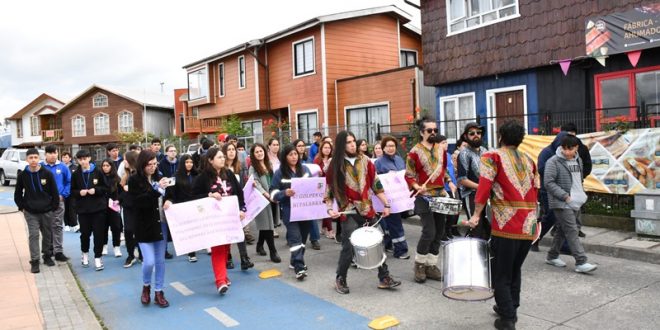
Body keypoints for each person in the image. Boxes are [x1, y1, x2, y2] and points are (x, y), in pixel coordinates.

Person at [466, 121, 539, 330]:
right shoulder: (529, 160)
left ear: (500, 137)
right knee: (514, 269)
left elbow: (483, 188)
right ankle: (510, 306)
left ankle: (508, 318)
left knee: (501, 273)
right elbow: (536, 190)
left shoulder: (492, 157)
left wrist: (477, 214)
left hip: (506, 224)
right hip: (528, 224)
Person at [326, 131, 401, 294]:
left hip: (367, 209)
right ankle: (340, 278)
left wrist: (386, 204)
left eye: (353, 141)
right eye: (348, 142)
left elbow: (376, 184)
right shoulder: (334, 164)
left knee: (377, 242)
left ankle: (384, 277)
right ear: (341, 145)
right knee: (349, 246)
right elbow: (329, 189)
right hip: (348, 211)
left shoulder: (366, 161)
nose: (353, 144)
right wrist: (330, 208)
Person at [191, 147, 246, 295]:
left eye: (223, 157)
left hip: (229, 218)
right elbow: (193, 196)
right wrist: (208, 194)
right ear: (210, 160)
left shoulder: (228, 174)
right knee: (218, 248)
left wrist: (242, 209)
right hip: (213, 220)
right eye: (219, 157)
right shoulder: (203, 178)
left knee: (226, 247)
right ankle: (220, 281)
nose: (223, 159)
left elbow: (239, 193)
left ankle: (223, 275)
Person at [544, 134, 597, 273]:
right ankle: (581, 262)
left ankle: (552, 255)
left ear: (576, 148)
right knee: (572, 230)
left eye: (570, 149)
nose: (567, 152)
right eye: (564, 148)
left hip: (576, 200)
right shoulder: (553, 161)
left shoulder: (578, 160)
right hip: (561, 202)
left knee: (563, 229)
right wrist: (565, 196)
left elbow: (578, 180)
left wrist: (580, 195)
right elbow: (548, 182)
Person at [405, 117, 450, 283]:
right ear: (422, 132)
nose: (433, 133)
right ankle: (419, 265)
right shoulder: (414, 152)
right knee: (429, 231)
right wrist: (417, 187)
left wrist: (450, 181)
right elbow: (409, 175)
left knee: (439, 231)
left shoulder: (441, 150)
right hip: (423, 197)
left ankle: (431, 265)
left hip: (440, 195)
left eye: (435, 130)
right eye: (430, 130)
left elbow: (443, 169)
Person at [129, 150, 170, 307]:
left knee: (160, 261)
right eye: (150, 165)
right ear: (142, 165)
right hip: (143, 225)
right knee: (149, 261)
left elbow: (170, 193)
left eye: (155, 164)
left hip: (161, 223)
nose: (153, 167)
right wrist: (156, 190)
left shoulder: (160, 177)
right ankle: (146, 286)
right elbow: (139, 202)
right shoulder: (134, 180)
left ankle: (159, 291)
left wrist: (169, 200)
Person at [271, 144, 313, 280]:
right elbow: (273, 194)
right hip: (289, 211)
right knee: (295, 239)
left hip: (306, 211)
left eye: (295, 154)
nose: (294, 157)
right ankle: (299, 267)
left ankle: (294, 260)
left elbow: (313, 187)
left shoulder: (305, 170)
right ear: (285, 157)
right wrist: (284, 193)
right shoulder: (279, 173)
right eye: (290, 154)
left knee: (303, 239)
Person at [14, 148, 59, 273]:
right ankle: (34, 261)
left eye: (35, 157)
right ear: (26, 159)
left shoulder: (47, 173)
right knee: (33, 235)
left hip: (46, 211)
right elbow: (18, 194)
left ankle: (47, 255)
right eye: (30, 158)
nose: (33, 160)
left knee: (47, 234)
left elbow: (55, 192)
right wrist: (22, 207)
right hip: (31, 212)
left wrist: (53, 208)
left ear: (39, 158)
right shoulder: (23, 175)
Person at [71, 149, 109, 271]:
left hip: (98, 209)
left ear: (89, 158)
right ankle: (85, 254)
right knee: (85, 234)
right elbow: (72, 191)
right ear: (77, 160)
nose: (83, 161)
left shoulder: (98, 171)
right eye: (80, 159)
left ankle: (98, 257)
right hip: (83, 210)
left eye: (85, 159)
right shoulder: (75, 174)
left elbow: (105, 188)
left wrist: (96, 190)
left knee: (98, 234)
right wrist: (79, 192)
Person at [533, 131, 569, 252]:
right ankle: (535, 239)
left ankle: (563, 246)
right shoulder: (546, 152)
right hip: (547, 191)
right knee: (550, 217)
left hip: (561, 191)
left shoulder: (564, 153)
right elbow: (542, 169)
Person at [374, 136, 409, 259]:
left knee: (390, 224)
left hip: (400, 197)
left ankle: (388, 244)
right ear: (383, 148)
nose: (390, 148)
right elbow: (376, 181)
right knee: (395, 223)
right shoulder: (378, 162)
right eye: (388, 146)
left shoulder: (399, 160)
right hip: (387, 198)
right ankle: (401, 250)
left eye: (393, 146)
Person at [222, 142, 255, 269]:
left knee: (240, 231)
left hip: (237, 203)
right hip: (225, 204)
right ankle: (228, 257)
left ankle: (244, 258)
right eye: (229, 149)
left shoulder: (239, 166)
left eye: (233, 149)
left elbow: (242, 185)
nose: (231, 152)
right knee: (228, 232)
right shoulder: (221, 168)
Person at [248, 143, 281, 263]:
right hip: (261, 200)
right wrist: (267, 195)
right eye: (256, 152)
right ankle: (273, 251)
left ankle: (259, 245)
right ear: (253, 154)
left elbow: (274, 180)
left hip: (272, 198)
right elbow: (255, 184)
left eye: (261, 151)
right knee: (268, 226)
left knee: (267, 224)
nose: (259, 153)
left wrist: (275, 193)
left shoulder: (269, 164)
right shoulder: (253, 168)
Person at [163, 154, 199, 262]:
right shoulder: (175, 176)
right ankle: (191, 252)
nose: (189, 164)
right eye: (187, 162)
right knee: (187, 230)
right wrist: (169, 200)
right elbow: (170, 193)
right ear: (182, 163)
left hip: (195, 206)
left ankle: (193, 249)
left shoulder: (197, 175)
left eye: (191, 162)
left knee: (195, 230)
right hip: (182, 207)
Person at [457, 122, 490, 240]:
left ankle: (488, 257)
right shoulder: (464, 154)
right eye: (472, 133)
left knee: (489, 227)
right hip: (471, 195)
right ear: (466, 136)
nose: (476, 135)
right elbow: (461, 179)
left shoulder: (485, 151)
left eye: (478, 132)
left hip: (487, 195)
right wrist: (481, 187)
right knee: (476, 228)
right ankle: (473, 256)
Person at [42, 145, 71, 262]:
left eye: (55, 153)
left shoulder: (63, 167)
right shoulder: (41, 167)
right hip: (44, 203)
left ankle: (58, 251)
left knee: (57, 225)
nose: (53, 155)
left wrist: (63, 195)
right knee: (45, 227)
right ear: (45, 155)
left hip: (58, 201)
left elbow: (69, 182)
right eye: (50, 153)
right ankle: (48, 250)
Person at [293, 139, 321, 249]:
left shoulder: (308, 159)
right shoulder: (292, 160)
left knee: (311, 215)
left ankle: (314, 239)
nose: (301, 147)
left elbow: (311, 173)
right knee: (295, 216)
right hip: (295, 191)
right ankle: (293, 237)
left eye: (303, 146)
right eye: (299, 145)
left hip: (307, 190)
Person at [119, 150, 141, 267]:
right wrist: (123, 194)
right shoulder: (125, 175)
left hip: (139, 208)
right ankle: (130, 255)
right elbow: (120, 192)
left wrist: (131, 190)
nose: (124, 161)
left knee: (139, 230)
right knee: (128, 231)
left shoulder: (140, 174)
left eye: (125, 159)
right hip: (128, 208)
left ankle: (141, 254)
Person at [100, 159, 123, 258]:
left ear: (111, 167)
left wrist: (118, 200)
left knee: (116, 227)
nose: (105, 167)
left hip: (114, 206)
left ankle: (116, 246)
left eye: (107, 165)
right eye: (104, 165)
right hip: (102, 206)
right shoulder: (99, 178)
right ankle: (104, 246)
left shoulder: (117, 179)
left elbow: (122, 193)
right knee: (103, 227)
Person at [438, 135, 458, 240]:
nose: (445, 144)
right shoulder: (437, 157)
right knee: (444, 213)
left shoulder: (449, 155)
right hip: (444, 188)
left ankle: (449, 230)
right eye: (442, 142)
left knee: (452, 213)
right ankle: (442, 234)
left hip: (452, 188)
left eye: (446, 142)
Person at [313, 141, 335, 240]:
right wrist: (319, 172)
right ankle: (329, 230)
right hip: (320, 186)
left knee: (328, 206)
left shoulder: (333, 159)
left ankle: (324, 227)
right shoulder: (317, 160)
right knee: (325, 207)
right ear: (321, 149)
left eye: (329, 148)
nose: (327, 149)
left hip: (330, 186)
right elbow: (313, 174)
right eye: (325, 147)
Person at [61, 151, 79, 232]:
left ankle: (75, 224)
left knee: (73, 207)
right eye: (63, 157)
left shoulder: (75, 167)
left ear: (70, 158)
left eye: (66, 157)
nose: (65, 159)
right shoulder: (60, 167)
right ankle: (67, 224)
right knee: (65, 208)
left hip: (72, 191)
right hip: (63, 191)